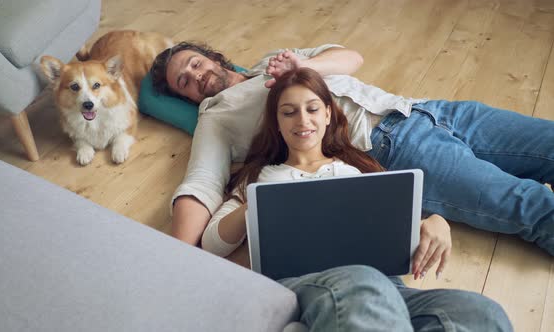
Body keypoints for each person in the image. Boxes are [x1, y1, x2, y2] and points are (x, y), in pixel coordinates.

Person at [150, 42, 554, 255]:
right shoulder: (215, 117)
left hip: (421, 108)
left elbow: (350, 57)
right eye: (183, 81)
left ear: (212, 58)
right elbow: (200, 183)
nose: (195, 76)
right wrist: (180, 260)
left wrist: (303, 69)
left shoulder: (272, 59)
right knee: (531, 206)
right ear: (185, 98)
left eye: (195, 63)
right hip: (391, 148)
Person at [200, 67, 513, 331]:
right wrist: (254, 207)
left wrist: (436, 223)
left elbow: (395, 228)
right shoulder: (258, 178)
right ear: (277, 122)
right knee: (363, 283)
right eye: (288, 112)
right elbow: (213, 243)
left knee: (480, 313)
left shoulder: (357, 171)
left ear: (327, 115)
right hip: (305, 286)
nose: (302, 120)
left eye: (311, 109)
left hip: (385, 288)